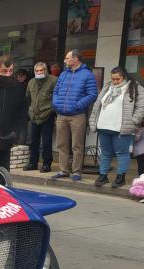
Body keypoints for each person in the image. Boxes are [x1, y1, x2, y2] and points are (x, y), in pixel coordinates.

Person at [89, 66, 144, 188]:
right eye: (113, 79)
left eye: (117, 79)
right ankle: (103, 175)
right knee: (105, 153)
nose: (115, 81)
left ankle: (120, 177)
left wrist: (134, 121)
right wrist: (94, 121)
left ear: (124, 77)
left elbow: (142, 107)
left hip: (122, 127)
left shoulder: (136, 88)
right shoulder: (107, 87)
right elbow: (97, 105)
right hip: (104, 125)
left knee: (122, 153)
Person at [51, 49, 98, 181]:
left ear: (75, 59)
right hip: (61, 114)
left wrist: (78, 105)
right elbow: (56, 91)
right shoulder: (63, 74)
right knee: (61, 144)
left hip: (77, 115)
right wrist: (56, 104)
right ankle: (63, 170)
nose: (65, 61)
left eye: (67, 58)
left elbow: (92, 94)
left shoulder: (87, 74)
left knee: (77, 145)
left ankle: (77, 172)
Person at [25, 62, 58, 172]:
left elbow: (56, 97)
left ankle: (46, 164)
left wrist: (52, 110)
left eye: (41, 70)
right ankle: (33, 163)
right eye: (37, 71)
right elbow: (28, 98)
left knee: (47, 141)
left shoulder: (53, 80)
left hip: (47, 115)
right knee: (33, 141)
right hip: (34, 116)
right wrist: (30, 111)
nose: (39, 72)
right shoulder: (31, 82)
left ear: (45, 70)